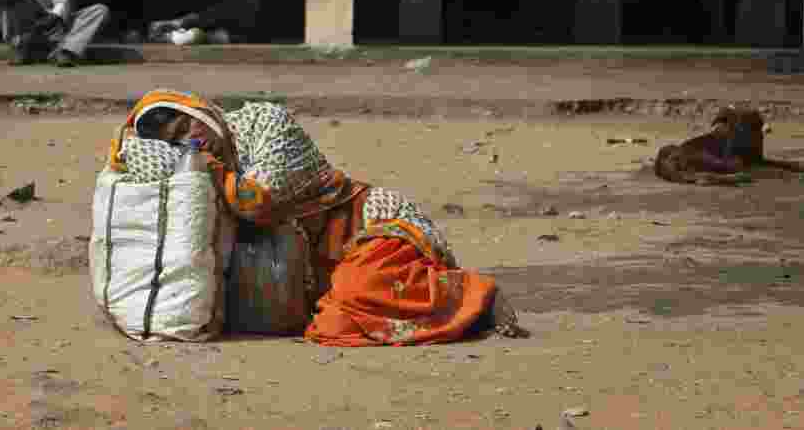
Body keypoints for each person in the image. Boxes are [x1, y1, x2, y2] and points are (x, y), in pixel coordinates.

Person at [107, 89, 526, 346]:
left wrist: (205, 167)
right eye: (176, 142)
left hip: (369, 230)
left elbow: (259, 201)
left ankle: (474, 295)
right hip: (314, 276)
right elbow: (128, 163)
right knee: (333, 324)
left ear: (200, 111)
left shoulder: (265, 123)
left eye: (186, 127)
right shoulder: (193, 172)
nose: (190, 142)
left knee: (362, 288)